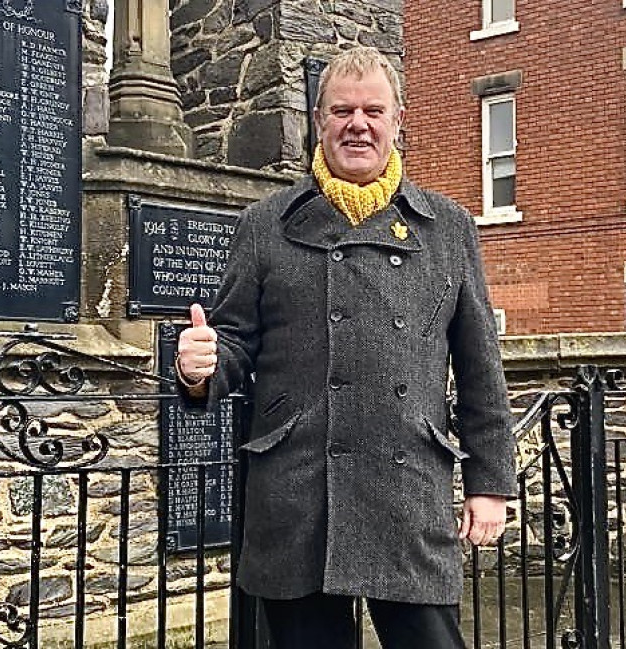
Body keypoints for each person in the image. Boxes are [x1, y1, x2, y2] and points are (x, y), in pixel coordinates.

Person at [175, 46, 516, 649]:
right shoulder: (266, 223)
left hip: (407, 492)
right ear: (318, 121)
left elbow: (480, 367)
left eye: (372, 110)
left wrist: (489, 482)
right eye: (341, 110)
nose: (357, 123)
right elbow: (231, 342)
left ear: (396, 121)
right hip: (298, 490)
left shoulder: (448, 227)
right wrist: (200, 365)